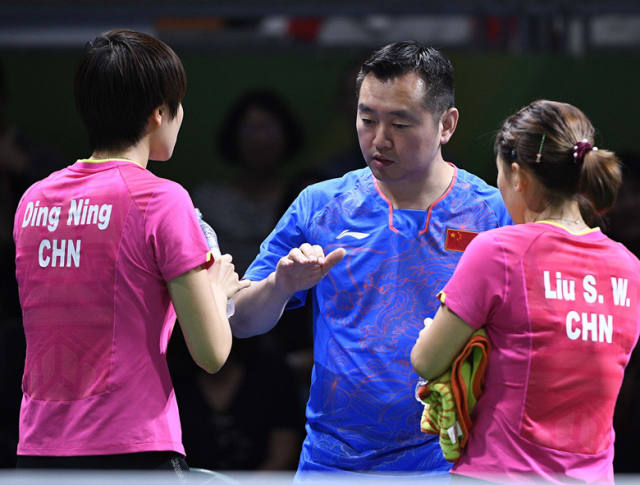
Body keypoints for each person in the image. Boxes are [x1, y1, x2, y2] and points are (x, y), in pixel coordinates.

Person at [230, 41, 511, 476]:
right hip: (331, 461)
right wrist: (280, 286)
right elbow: (241, 321)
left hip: (450, 459)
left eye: (400, 123)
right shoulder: (320, 205)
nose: (380, 139)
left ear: (446, 124)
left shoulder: (493, 215)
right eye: (367, 119)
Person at [12, 29, 248, 472]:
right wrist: (218, 290)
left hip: (39, 452)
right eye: (179, 104)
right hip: (133, 450)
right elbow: (212, 354)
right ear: (159, 112)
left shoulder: (33, 201)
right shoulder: (161, 199)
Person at [411, 99, 639, 484]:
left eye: (500, 177)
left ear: (518, 176)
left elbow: (425, 361)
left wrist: (434, 335)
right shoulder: (630, 269)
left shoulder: (497, 251)